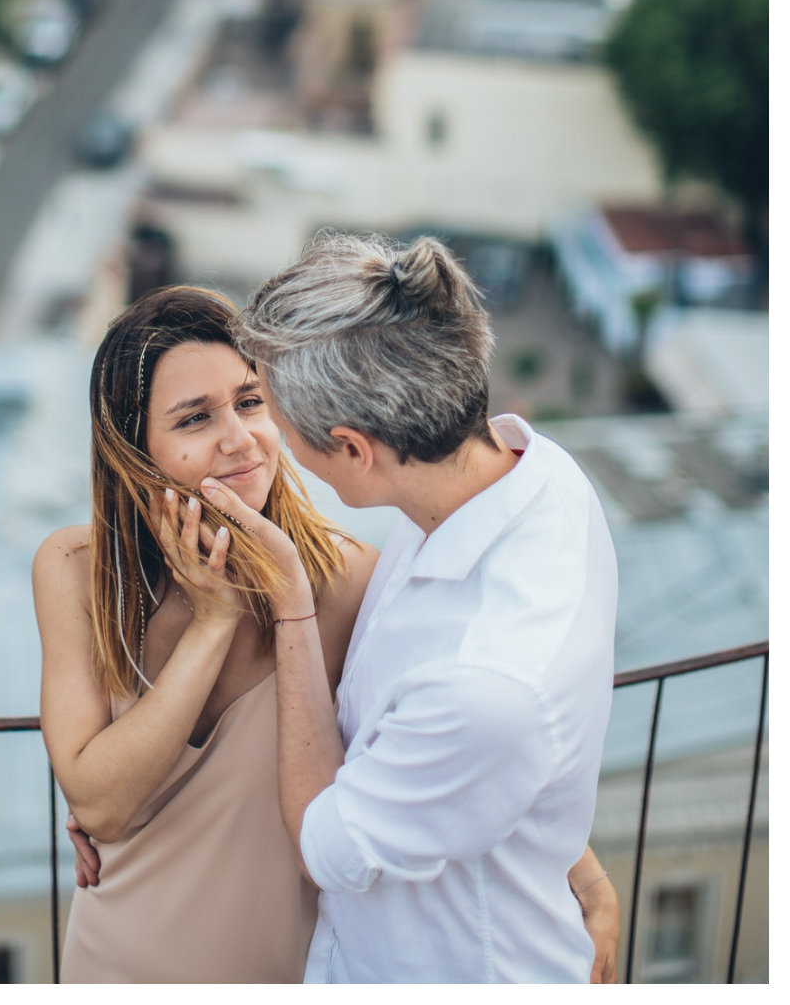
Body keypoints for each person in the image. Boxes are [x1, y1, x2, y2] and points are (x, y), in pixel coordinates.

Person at [34, 283, 619, 984]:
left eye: (251, 403)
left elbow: (455, 752)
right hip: (119, 962)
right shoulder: (79, 570)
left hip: (293, 969)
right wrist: (213, 622)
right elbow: (99, 804)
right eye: (194, 419)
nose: (239, 438)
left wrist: (583, 876)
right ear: (134, 446)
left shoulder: (347, 582)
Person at [187, 231, 621, 983]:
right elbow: (486, 768)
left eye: (285, 434)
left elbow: (324, 850)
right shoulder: (539, 477)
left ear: (355, 450)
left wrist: (291, 604)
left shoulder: (484, 681)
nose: (274, 448)